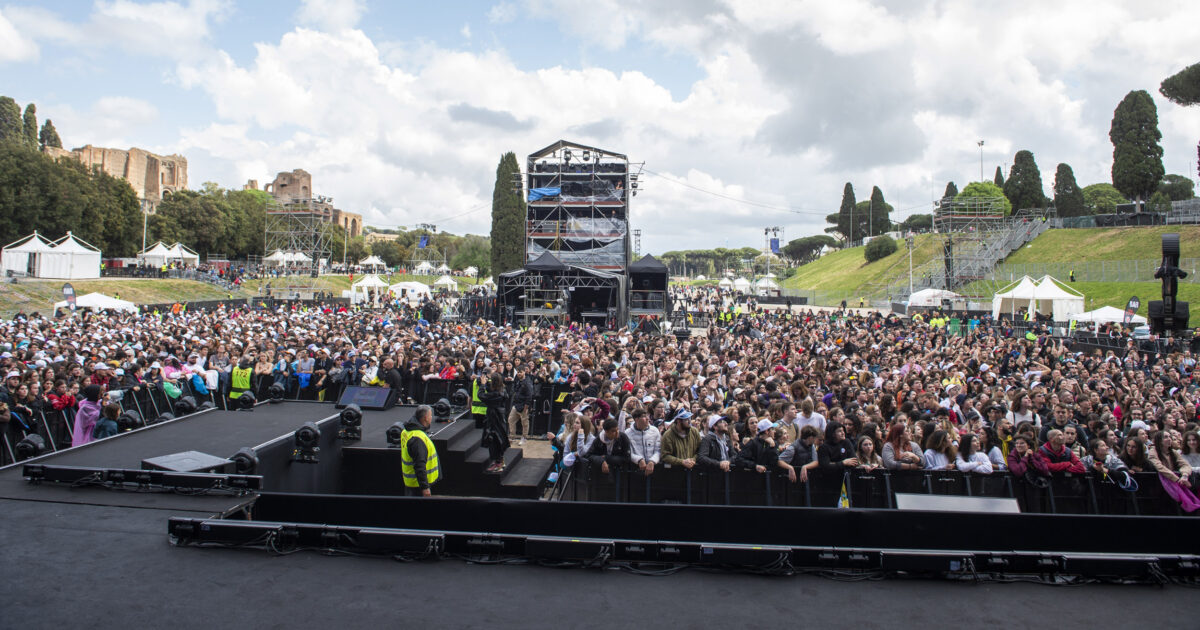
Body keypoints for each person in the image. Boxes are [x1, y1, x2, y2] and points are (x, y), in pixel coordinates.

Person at [1147, 431, 1200, 512]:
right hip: (1161, 485)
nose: (1169, 439)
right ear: (1159, 440)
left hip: (1175, 483)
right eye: (1165, 437)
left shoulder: (1173, 452)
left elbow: (1185, 465)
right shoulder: (1153, 451)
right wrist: (1177, 479)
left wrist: (1184, 476)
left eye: (1169, 437)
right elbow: (1160, 467)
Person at [400, 405, 439, 496]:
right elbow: (419, 465)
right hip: (418, 487)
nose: (431, 418)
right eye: (430, 415)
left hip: (412, 483)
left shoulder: (407, 431)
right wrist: (425, 487)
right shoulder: (418, 439)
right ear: (425, 418)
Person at [478, 374, 510, 474]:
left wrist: (482, 386)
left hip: (494, 419)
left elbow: (482, 396)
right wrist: (485, 382)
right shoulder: (502, 390)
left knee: (494, 440)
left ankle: (498, 463)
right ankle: (499, 461)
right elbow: (490, 390)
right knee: (498, 439)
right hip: (498, 417)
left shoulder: (497, 394)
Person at [626, 408, 661, 477]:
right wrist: (639, 459)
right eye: (644, 417)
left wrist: (652, 461)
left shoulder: (655, 430)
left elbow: (658, 450)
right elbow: (628, 452)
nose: (648, 419)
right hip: (635, 470)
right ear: (636, 419)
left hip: (654, 469)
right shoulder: (627, 433)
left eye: (647, 416)